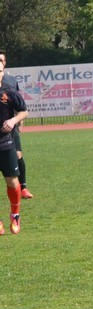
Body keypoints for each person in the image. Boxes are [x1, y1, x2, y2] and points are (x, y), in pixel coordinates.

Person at [0, 60, 27, 235]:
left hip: (5, 144)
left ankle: (15, 215)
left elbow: (24, 111)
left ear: (3, 73)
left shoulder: (8, 92)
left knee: (12, 182)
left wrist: (13, 120)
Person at [0, 52, 32, 199]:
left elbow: (18, 103)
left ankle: (23, 187)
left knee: (18, 154)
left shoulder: (11, 81)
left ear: (4, 63)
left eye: (1, 59)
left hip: (10, 127)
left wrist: (17, 120)